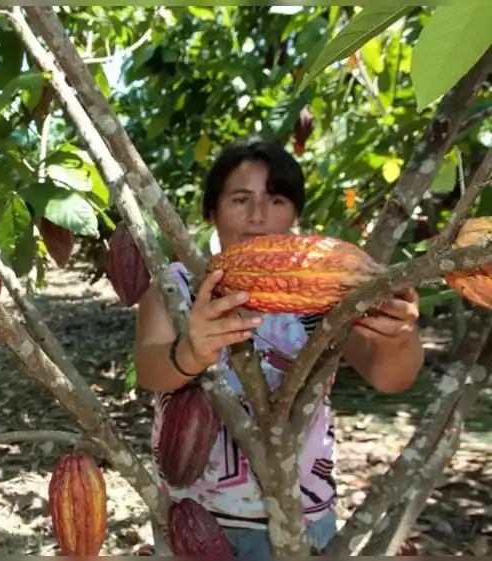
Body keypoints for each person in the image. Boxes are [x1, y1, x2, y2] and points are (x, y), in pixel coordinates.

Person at [134, 137, 423, 556]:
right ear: (212, 211)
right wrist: (190, 353)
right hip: (194, 515)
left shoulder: (326, 296)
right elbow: (149, 369)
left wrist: (398, 335)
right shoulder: (175, 286)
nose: (257, 215)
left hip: (297, 516)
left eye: (276, 200)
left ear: (294, 213)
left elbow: (389, 377)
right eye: (240, 199)